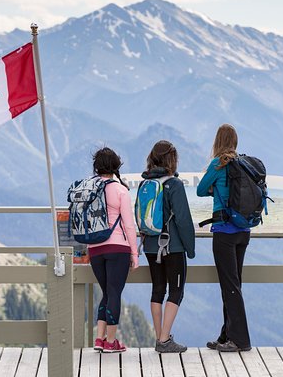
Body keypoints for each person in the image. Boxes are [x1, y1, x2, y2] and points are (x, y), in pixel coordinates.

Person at [196, 124, 252, 352]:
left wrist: (214, 191)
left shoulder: (218, 164)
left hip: (224, 232)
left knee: (229, 286)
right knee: (234, 284)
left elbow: (200, 189)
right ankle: (226, 335)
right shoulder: (244, 164)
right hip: (244, 231)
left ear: (217, 142)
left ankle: (240, 341)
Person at [141, 140, 196, 353]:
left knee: (157, 290)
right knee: (176, 291)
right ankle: (165, 340)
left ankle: (159, 337)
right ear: (172, 159)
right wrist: (190, 249)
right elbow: (183, 220)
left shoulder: (146, 183)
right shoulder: (174, 185)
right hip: (172, 247)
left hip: (150, 246)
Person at [87, 147, 139, 353]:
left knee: (107, 293)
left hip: (94, 248)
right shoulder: (120, 190)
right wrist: (134, 253)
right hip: (118, 247)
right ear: (116, 166)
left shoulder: (89, 189)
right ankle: (110, 342)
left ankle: (99, 339)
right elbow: (128, 225)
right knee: (115, 292)